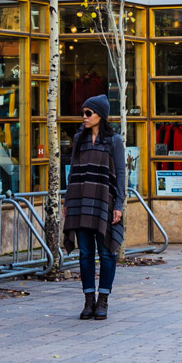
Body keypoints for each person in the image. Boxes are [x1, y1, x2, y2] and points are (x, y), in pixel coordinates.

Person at [63, 95, 125, 321]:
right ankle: (88, 300)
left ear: (101, 116)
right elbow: (73, 173)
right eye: (83, 113)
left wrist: (119, 204)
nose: (84, 117)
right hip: (80, 201)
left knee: (107, 253)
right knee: (86, 254)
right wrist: (68, 202)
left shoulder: (114, 141)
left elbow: (120, 174)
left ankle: (103, 300)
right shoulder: (79, 137)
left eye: (89, 113)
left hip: (104, 202)